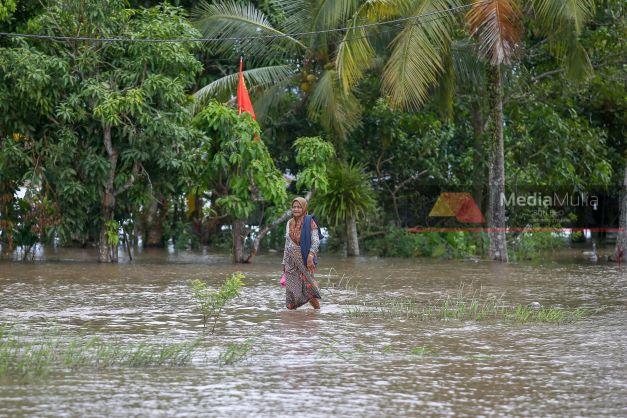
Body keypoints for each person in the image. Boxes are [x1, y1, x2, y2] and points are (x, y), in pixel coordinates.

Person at [281, 197, 323, 310]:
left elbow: (316, 241)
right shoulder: (289, 222)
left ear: (304, 208)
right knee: (291, 290)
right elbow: (287, 243)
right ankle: (292, 319)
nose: (296, 209)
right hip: (290, 260)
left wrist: (310, 256)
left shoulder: (310, 221)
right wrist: (284, 262)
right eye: (294, 207)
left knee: (308, 288)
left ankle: (317, 311)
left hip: (304, 258)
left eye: (299, 207)